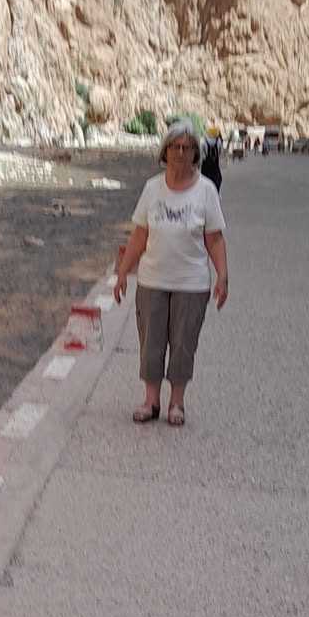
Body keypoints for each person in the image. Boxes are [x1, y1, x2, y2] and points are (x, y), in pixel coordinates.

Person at [114, 117, 229, 427]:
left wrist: (222, 277)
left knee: (183, 344)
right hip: (152, 279)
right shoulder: (152, 188)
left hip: (192, 283)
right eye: (175, 147)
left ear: (195, 153)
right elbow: (139, 235)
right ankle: (150, 401)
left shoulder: (206, 190)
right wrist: (122, 273)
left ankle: (176, 403)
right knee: (150, 342)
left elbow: (214, 238)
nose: (180, 152)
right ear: (164, 151)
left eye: (187, 147)